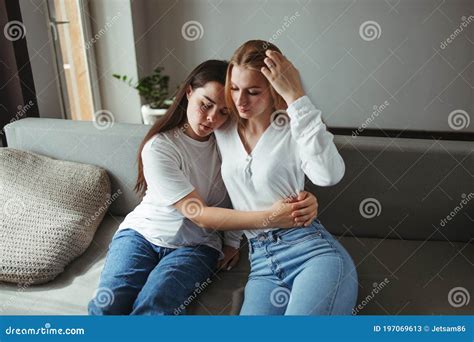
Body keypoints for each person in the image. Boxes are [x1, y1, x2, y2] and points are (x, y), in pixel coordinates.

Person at [88, 59, 318, 315]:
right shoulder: (160, 147)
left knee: (155, 305)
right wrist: (272, 217)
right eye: (205, 105)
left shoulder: (231, 145)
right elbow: (199, 214)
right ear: (188, 92)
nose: (211, 118)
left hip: (197, 246)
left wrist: (232, 241)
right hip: (141, 234)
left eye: (223, 112)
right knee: (107, 306)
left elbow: (241, 193)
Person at [214, 40, 358, 315]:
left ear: (273, 90)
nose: (240, 100)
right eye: (234, 89)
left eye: (253, 92)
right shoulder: (223, 130)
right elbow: (233, 191)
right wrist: (232, 241)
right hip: (262, 263)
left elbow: (328, 176)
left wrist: (297, 98)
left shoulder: (296, 127)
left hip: (311, 252)